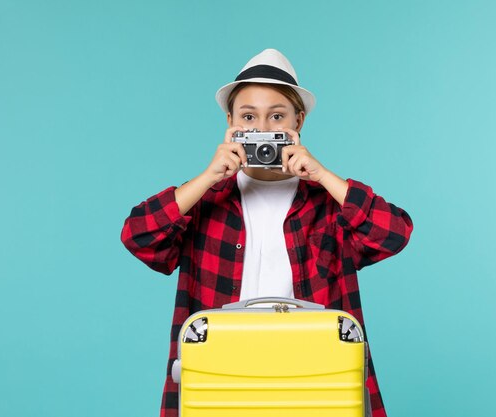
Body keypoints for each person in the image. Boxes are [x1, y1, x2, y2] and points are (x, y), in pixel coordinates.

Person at [120, 48, 413, 417]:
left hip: (316, 377)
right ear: (229, 122)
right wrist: (208, 177)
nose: (262, 131)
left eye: (277, 117)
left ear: (298, 122)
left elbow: (394, 232)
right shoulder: (204, 201)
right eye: (248, 117)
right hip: (221, 375)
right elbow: (138, 236)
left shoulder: (326, 205)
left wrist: (323, 176)